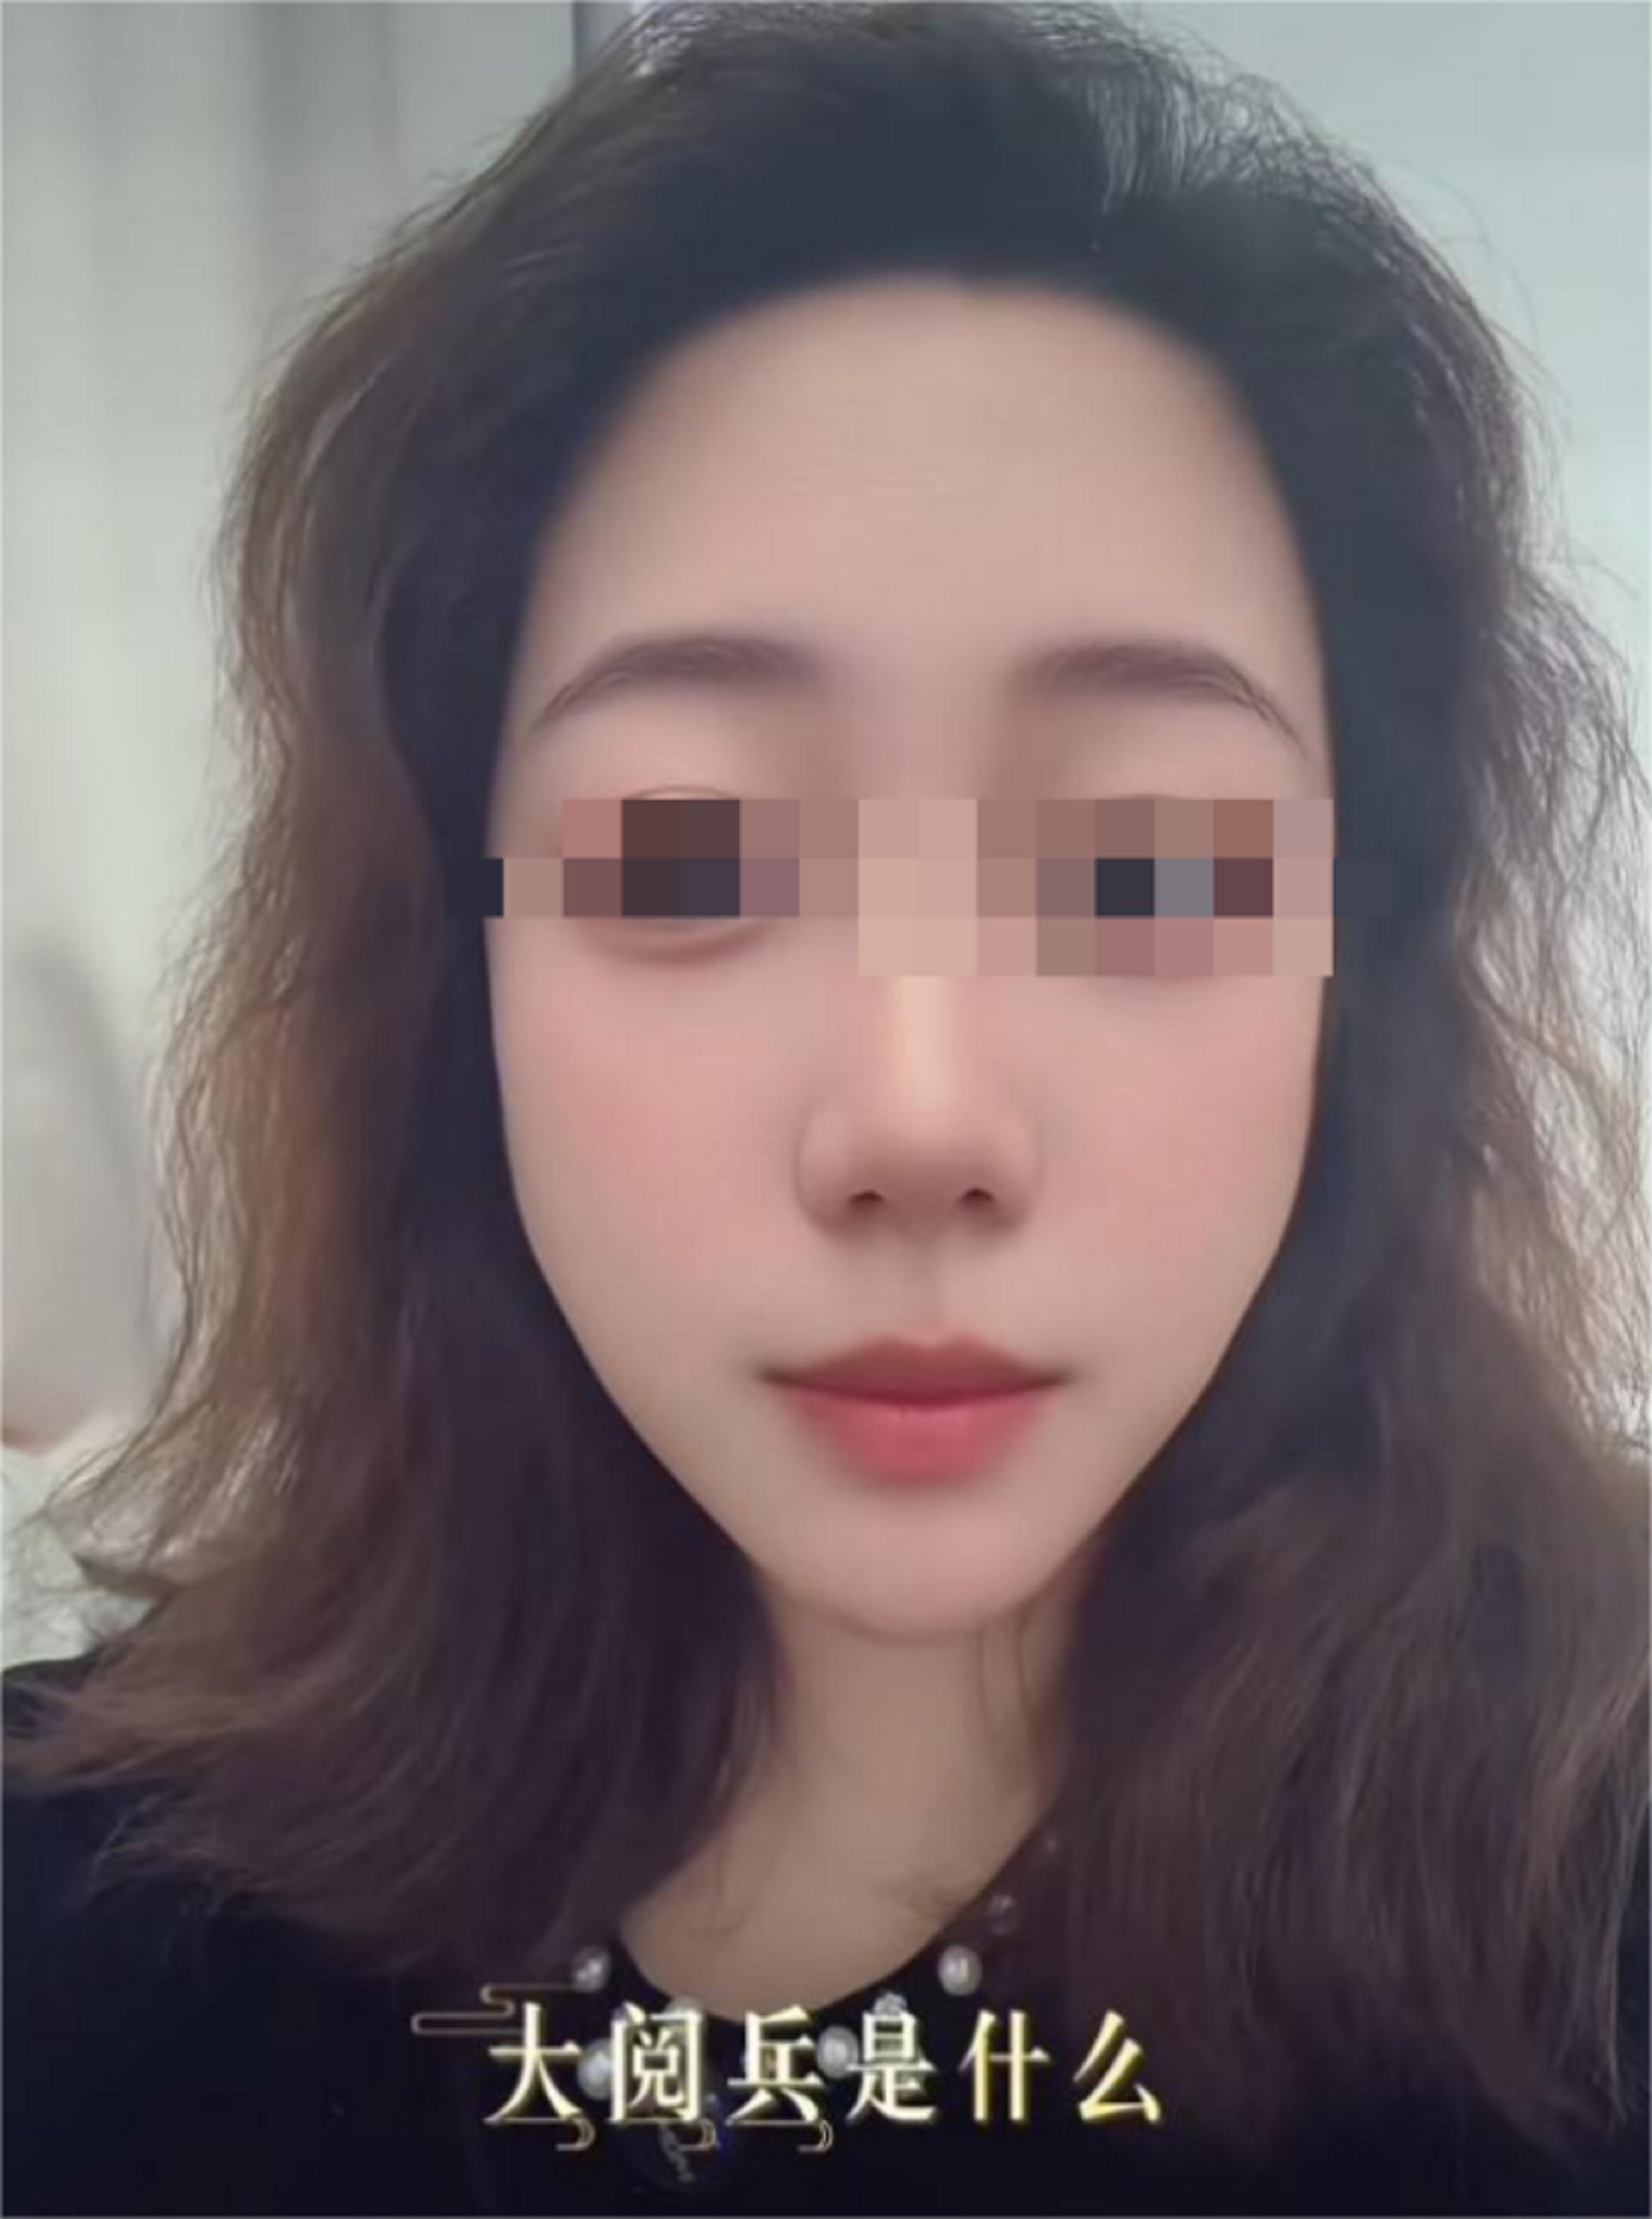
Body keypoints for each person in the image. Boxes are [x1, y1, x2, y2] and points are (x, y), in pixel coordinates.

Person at [4, 4, 1646, 2213]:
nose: (917, 1115)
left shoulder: (1586, 1952)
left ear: (1356, 970)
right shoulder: (93, 1942)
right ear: (457, 971)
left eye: (1149, 869)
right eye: (686, 857)